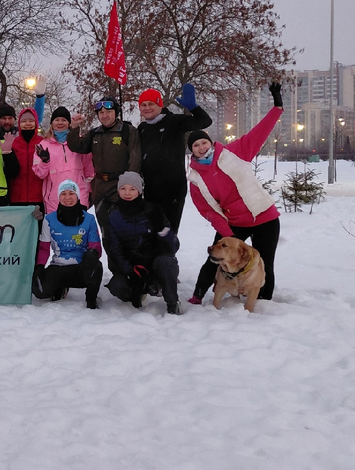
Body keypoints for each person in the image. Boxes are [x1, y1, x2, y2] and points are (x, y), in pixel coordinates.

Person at [187, 82, 284, 305]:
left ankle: (263, 299)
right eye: (196, 145)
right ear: (191, 151)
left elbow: (258, 134)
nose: (201, 147)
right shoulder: (196, 179)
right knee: (214, 257)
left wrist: (277, 108)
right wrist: (227, 233)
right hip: (234, 223)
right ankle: (198, 295)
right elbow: (208, 211)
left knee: (264, 261)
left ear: (210, 143)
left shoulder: (234, 152)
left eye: (204, 142)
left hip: (264, 216)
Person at [68, 97, 141, 261]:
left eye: (108, 111)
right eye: (101, 112)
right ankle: (115, 265)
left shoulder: (128, 131)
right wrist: (74, 127)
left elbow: (135, 158)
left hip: (121, 188)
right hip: (101, 189)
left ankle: (131, 266)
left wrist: (131, 185)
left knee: (125, 230)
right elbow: (77, 146)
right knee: (106, 231)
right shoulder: (95, 133)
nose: (104, 115)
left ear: (116, 112)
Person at [136, 84, 213, 232]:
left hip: (173, 189)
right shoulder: (142, 128)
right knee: (151, 232)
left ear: (160, 105)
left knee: (168, 233)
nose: (147, 108)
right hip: (151, 189)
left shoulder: (174, 121)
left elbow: (205, 121)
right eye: (143, 105)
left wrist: (193, 108)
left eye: (151, 104)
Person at [104, 172, 181, 315]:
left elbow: (173, 247)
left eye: (132, 189)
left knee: (166, 262)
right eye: (123, 188)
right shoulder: (113, 216)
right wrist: (130, 270)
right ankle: (136, 294)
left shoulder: (153, 210)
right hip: (132, 267)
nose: (127, 193)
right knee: (117, 286)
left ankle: (172, 303)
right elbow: (113, 248)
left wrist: (162, 230)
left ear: (139, 191)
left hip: (155, 265)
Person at [34, 179, 103, 308]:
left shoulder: (89, 219)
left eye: (71, 193)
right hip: (58, 266)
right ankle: (60, 287)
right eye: (63, 194)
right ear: (58, 196)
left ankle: (91, 298)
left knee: (97, 267)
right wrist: (39, 267)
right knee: (39, 291)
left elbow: (96, 246)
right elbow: (44, 248)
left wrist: (92, 254)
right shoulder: (49, 219)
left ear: (78, 196)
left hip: (81, 268)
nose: (67, 198)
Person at [32, 106, 95, 212]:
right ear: (52, 123)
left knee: (80, 222)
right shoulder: (43, 145)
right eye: (57, 120)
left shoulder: (79, 142)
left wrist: (87, 189)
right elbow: (40, 174)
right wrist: (45, 161)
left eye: (64, 120)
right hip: (54, 198)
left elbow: (89, 169)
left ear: (69, 123)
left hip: (79, 194)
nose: (60, 123)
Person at [7, 106, 46, 213]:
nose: (27, 123)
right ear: (19, 124)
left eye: (31, 121)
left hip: (38, 197)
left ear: (36, 123)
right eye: (24, 121)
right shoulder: (13, 143)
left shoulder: (43, 142)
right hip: (17, 197)